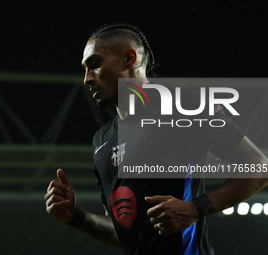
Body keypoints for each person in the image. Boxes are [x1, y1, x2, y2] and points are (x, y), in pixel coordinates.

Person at [44, 23, 268, 254]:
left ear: (130, 59)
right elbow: (123, 233)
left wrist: (194, 208)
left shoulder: (185, 106)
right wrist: (75, 216)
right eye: (85, 69)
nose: (87, 79)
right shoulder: (101, 141)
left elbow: (259, 167)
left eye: (95, 65)